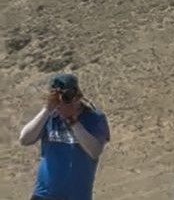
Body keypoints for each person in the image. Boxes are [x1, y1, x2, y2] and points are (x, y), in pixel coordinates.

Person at [18, 72, 110, 200]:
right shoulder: (50, 116)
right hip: (44, 195)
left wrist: (73, 121)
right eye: (56, 98)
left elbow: (95, 151)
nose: (61, 101)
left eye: (66, 97)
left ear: (78, 96)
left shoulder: (94, 118)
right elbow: (24, 139)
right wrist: (47, 109)